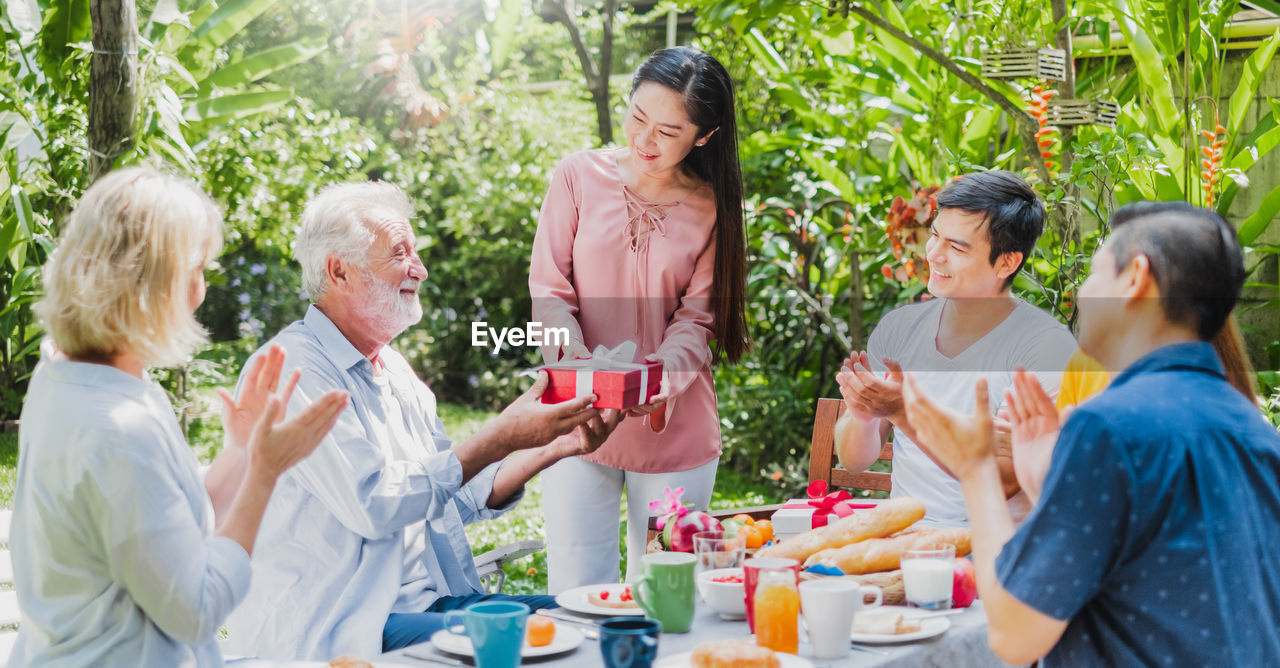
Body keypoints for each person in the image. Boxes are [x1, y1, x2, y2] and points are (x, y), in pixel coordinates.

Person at [222, 181, 622, 660]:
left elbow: (455, 494)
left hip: (436, 603)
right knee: (560, 648)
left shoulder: (393, 369)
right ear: (339, 271)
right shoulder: (294, 369)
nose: (421, 268)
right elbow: (375, 504)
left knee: (598, 620)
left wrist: (556, 444)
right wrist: (499, 437)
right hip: (351, 622)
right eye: (400, 253)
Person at [902, 201, 1280, 666]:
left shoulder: (1109, 426)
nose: (1081, 294)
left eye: (1096, 272)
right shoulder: (1255, 430)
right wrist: (1046, 480)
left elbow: (1015, 635)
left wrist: (975, 468)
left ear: (1134, 278)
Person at [10, 168, 347, 666]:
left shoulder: (69, 374)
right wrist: (263, 474)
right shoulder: (119, 429)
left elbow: (165, 529)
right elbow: (196, 609)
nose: (201, 292)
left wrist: (241, 451)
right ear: (148, 283)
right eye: (196, 270)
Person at [529, 46, 748, 591]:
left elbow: (697, 321)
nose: (645, 141)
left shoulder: (711, 207)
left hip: (671, 426)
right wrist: (577, 367)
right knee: (576, 590)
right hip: (574, 414)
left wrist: (658, 381)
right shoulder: (577, 176)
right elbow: (549, 290)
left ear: (704, 136)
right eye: (637, 118)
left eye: (668, 131)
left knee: (664, 592)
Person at [833, 170, 1077, 527]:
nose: (934, 254)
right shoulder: (899, 330)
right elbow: (853, 460)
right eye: (935, 236)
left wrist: (903, 412)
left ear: (1007, 262)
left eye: (957, 247)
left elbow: (1003, 483)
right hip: (904, 544)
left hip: (991, 553)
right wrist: (863, 415)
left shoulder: (1045, 349)